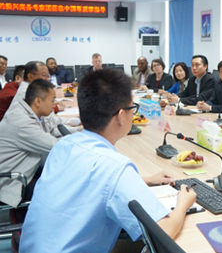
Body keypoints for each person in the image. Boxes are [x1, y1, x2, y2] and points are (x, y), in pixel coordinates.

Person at [19, 69, 196, 252]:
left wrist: (146, 180)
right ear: (120, 116)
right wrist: (183, 202)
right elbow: (162, 232)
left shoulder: (65, 144)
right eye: (132, 108)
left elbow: (93, 183)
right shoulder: (114, 166)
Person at [0, 79, 58, 207]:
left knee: (57, 172)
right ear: (38, 101)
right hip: (11, 183)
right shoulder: (22, 123)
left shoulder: (27, 113)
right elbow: (55, 145)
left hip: (23, 170)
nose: (54, 105)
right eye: (52, 100)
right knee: (59, 189)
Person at [8, 61, 80, 136]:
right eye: (44, 75)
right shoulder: (28, 94)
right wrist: (78, 128)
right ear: (30, 77)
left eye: (48, 76)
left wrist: (78, 121)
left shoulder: (31, 90)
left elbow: (50, 123)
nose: (47, 79)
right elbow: (51, 127)